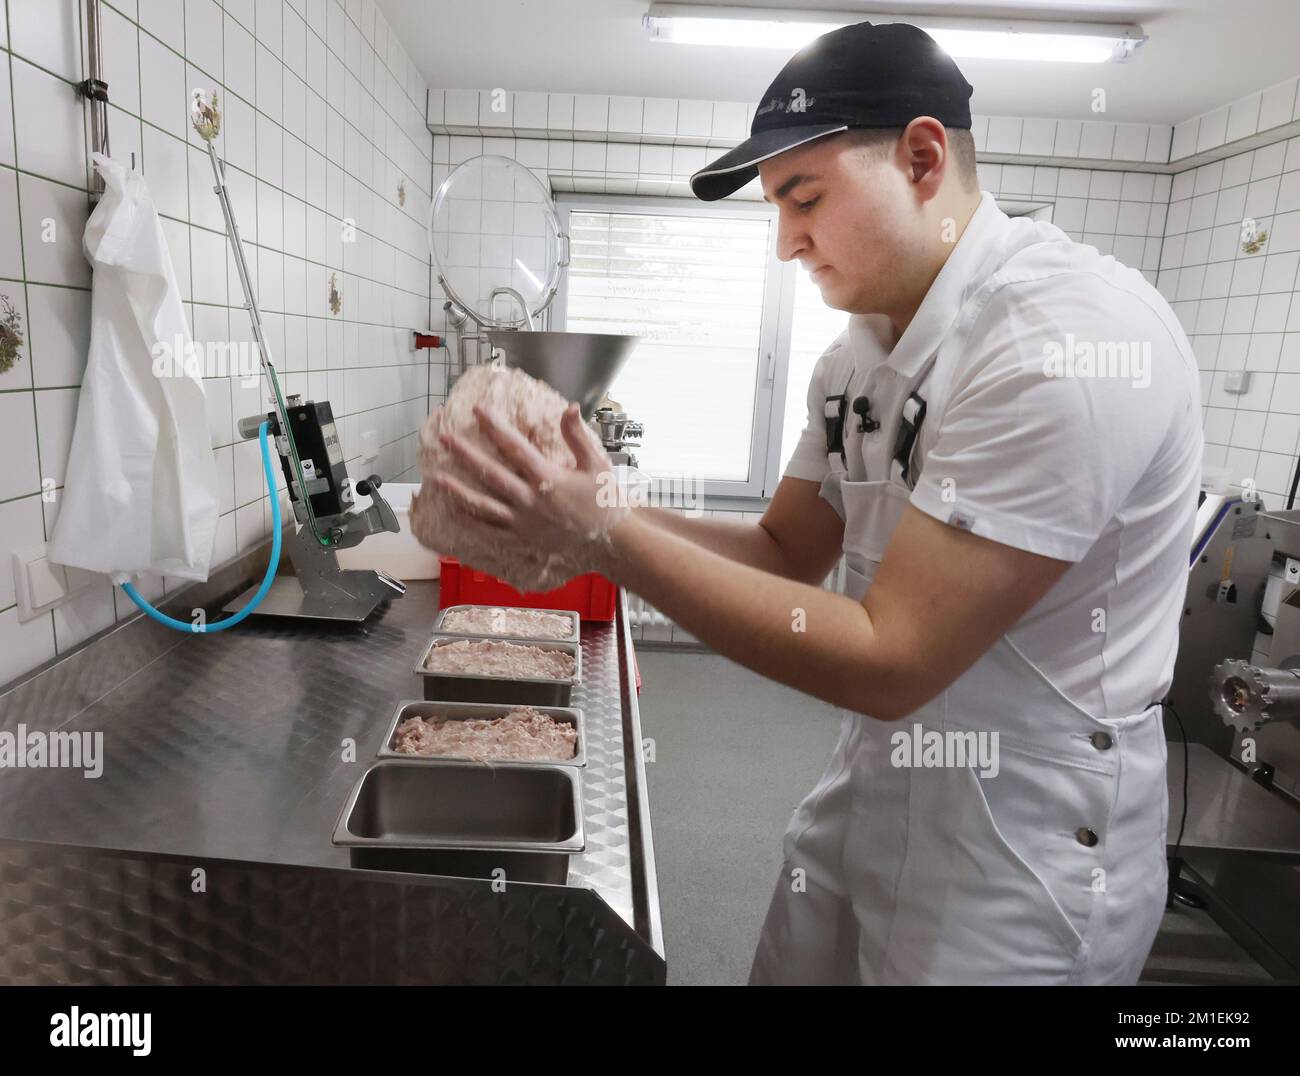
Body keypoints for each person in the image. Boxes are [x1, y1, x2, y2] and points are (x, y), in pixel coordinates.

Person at [430, 20, 1203, 985]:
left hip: (1024, 854)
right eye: (776, 207)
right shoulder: (857, 360)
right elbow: (783, 550)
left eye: (805, 197)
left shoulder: (1062, 342)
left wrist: (602, 533)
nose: (788, 240)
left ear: (923, 158)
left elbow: (892, 658)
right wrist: (595, 501)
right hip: (875, 790)